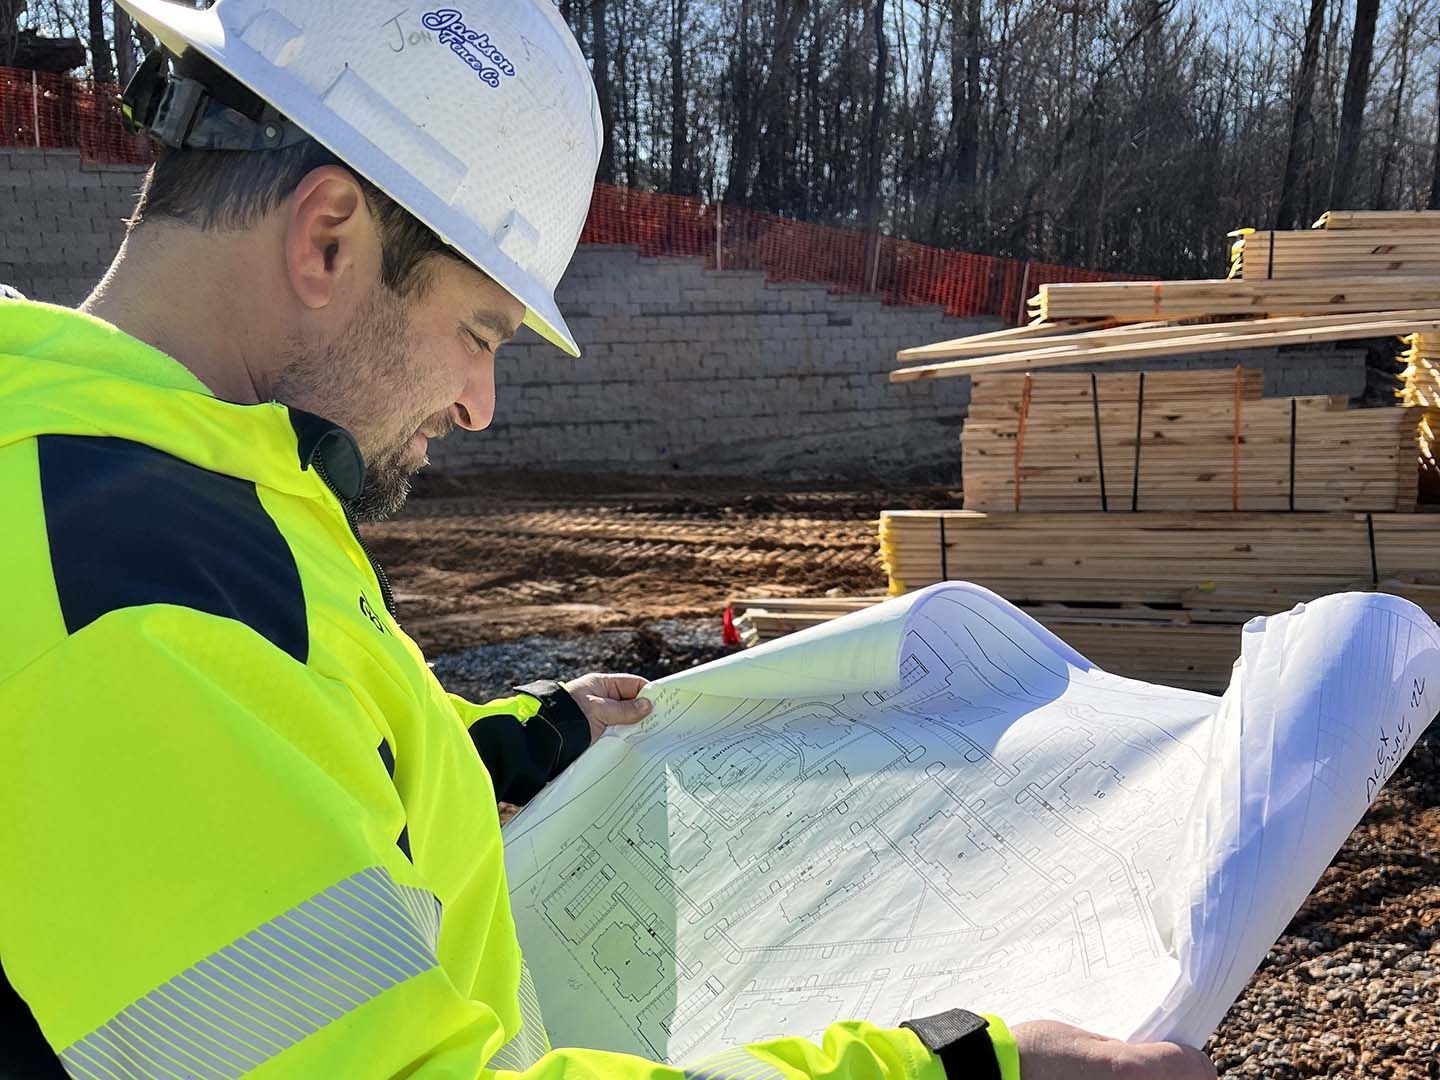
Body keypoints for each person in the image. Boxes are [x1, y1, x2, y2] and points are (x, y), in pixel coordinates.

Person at [0, 2, 1218, 1078]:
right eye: (481, 329)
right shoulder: (134, 606)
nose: (478, 404)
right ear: (328, 237)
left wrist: (515, 743)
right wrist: (960, 1068)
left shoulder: (163, 492)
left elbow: (273, 772)